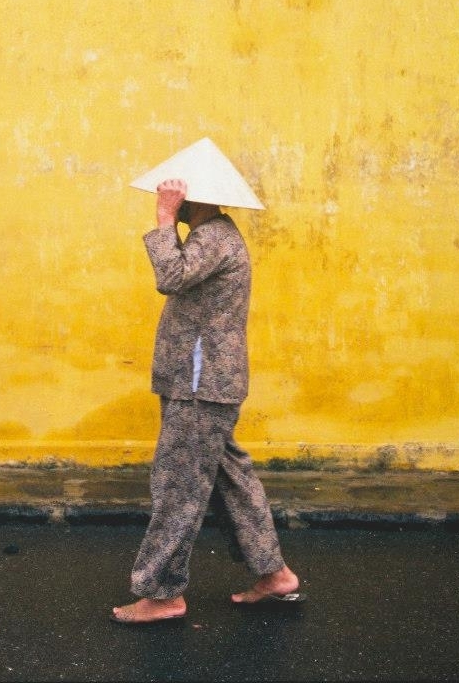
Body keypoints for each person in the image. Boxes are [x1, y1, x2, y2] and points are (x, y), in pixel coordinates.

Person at [112, 141, 304, 625]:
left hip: (201, 386)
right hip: (202, 385)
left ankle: (163, 594)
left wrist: (162, 216)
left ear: (192, 198)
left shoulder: (215, 236)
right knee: (229, 479)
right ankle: (274, 574)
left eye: (177, 194)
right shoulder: (214, 236)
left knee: (177, 485)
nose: (170, 199)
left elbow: (170, 276)